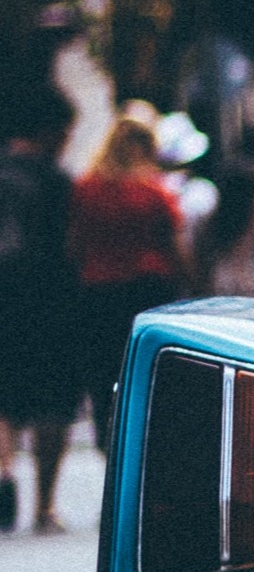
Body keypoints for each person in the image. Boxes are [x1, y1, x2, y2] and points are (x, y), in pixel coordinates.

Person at [70, 109, 187, 451]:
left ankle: (108, 445)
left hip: (97, 293)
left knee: (103, 374)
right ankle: (141, 445)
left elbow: (74, 245)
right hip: (146, 292)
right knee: (144, 373)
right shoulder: (155, 193)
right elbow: (175, 248)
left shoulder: (86, 188)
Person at [0, 82, 82, 534]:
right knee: (53, 401)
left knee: (4, 398)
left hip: (3, 298)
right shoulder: (57, 182)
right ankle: (44, 506)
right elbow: (72, 246)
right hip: (51, 300)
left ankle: (3, 473)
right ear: (49, 130)